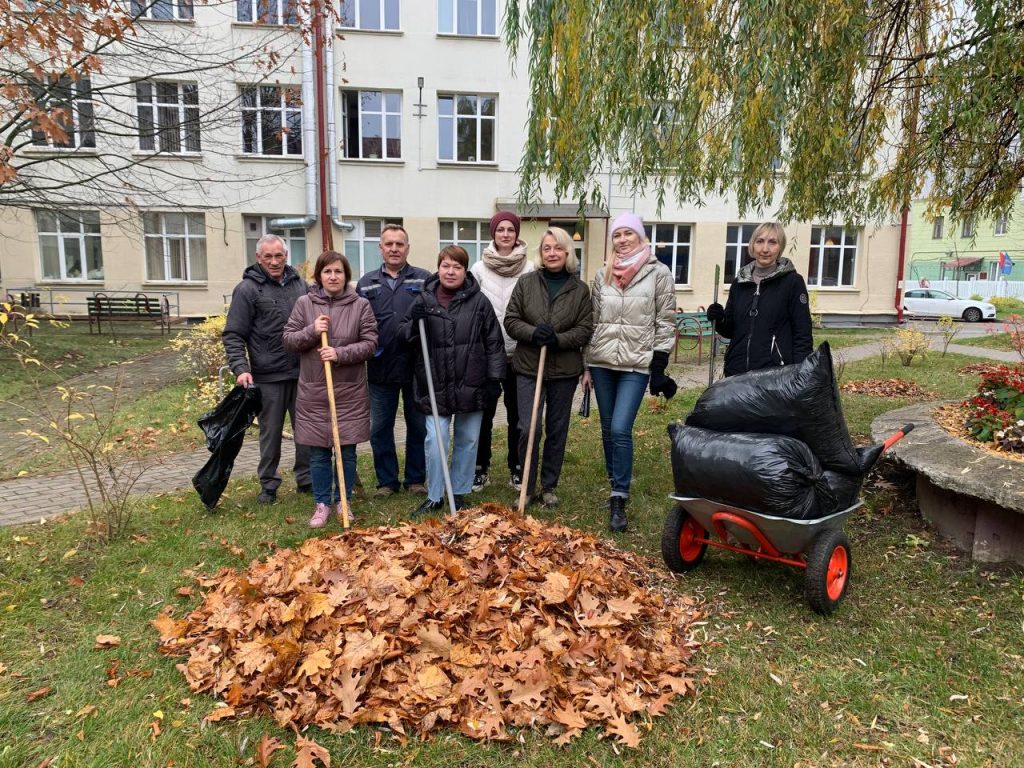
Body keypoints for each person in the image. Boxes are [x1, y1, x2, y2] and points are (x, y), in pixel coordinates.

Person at [583, 213, 677, 532]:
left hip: (636, 364)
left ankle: (620, 496)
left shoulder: (658, 273)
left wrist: (659, 365)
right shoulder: (602, 274)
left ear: (640, 236)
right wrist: (586, 364)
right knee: (608, 427)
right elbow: (593, 321)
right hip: (602, 363)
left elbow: (665, 321)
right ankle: (615, 481)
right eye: (617, 235)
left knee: (622, 428)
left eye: (628, 234)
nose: (622, 240)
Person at [400, 245, 506, 517]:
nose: (451, 271)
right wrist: (414, 324)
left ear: (464, 270)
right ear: (439, 267)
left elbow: (494, 342)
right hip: (434, 384)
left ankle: (458, 492)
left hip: (471, 381)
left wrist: (495, 378)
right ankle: (435, 495)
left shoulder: (479, 301)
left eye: (457, 266)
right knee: (435, 441)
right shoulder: (424, 300)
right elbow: (403, 335)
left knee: (468, 440)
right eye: (446, 265)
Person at [283, 251, 378, 528]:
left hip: (349, 392)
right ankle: (322, 503)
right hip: (314, 390)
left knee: (346, 450)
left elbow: (371, 344)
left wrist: (339, 353)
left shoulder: (360, 305)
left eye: (338, 271)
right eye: (327, 272)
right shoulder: (304, 304)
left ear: (346, 276)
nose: (333, 277)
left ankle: (344, 502)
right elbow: (289, 340)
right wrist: (312, 330)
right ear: (319, 276)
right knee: (319, 452)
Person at [504, 227, 593, 508]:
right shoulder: (527, 282)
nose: (552, 253)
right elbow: (511, 319)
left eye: (557, 248)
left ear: (568, 252)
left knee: (557, 428)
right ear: (540, 253)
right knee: (528, 427)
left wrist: (558, 339)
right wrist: (533, 333)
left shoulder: (579, 290)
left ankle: (549, 486)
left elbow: (585, 329)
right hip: (529, 367)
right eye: (546, 248)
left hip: (564, 371)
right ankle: (526, 486)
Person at [223, 233, 311, 504]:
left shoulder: (300, 285)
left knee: (306, 431)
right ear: (258, 258)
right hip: (267, 375)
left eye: (279, 256)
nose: (274, 261)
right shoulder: (247, 290)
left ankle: (306, 479)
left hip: (301, 373)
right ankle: (269, 484)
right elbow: (234, 334)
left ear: (287, 256)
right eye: (268, 257)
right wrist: (241, 368)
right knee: (270, 433)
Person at [356, 224, 431, 498]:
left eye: (400, 244)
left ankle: (415, 480)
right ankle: (386, 481)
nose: (394, 249)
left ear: (407, 248)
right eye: (389, 244)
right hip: (380, 367)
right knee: (380, 428)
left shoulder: (424, 279)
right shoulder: (366, 283)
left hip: (416, 366)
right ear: (381, 248)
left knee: (418, 426)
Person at [470, 211, 535, 492]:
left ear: (516, 234)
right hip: (486, 354)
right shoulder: (478, 268)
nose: (506, 234)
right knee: (483, 414)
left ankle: (517, 466)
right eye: (500, 230)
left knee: (517, 417)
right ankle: (479, 467)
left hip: (519, 353)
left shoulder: (529, 268)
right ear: (493, 234)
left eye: (510, 230)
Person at [705, 222, 813, 377]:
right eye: (760, 241)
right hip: (736, 373)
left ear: (780, 247)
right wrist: (719, 319)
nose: (765, 249)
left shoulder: (792, 282)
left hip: (775, 375)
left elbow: (802, 334)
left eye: (772, 242)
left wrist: (800, 373)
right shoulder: (739, 283)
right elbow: (730, 330)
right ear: (752, 245)